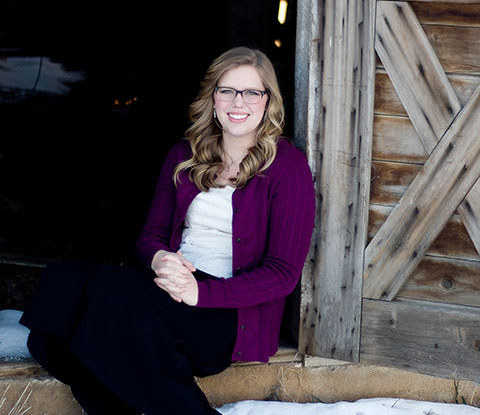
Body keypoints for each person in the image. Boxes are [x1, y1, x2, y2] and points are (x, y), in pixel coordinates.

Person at [20, 47, 315, 415]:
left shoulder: (287, 167)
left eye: (252, 92)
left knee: (107, 296)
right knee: (51, 322)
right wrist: (160, 258)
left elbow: (282, 274)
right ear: (212, 97)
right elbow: (151, 236)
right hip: (168, 291)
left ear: (268, 101)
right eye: (227, 90)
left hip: (226, 315)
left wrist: (199, 292)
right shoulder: (185, 154)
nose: (238, 102)